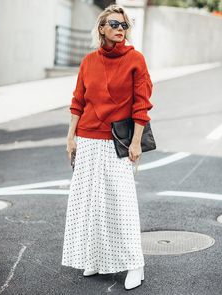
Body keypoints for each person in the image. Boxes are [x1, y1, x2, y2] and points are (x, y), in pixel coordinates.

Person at [61, 4, 153, 291]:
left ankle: (134, 264)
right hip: (87, 140)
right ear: (102, 28)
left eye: (124, 25)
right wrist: (70, 137)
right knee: (89, 204)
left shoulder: (136, 60)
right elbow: (78, 101)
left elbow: (141, 105)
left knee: (121, 205)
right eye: (114, 24)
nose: (119, 29)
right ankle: (96, 258)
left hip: (117, 142)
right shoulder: (88, 61)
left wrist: (136, 142)